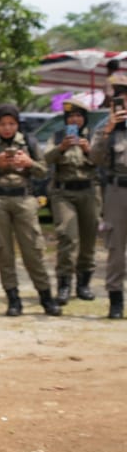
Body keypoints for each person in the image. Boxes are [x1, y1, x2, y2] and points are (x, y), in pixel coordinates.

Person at [0, 103, 61, 316]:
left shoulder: (29, 142)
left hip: (24, 200)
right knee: (4, 252)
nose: (7, 128)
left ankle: (46, 297)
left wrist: (29, 162)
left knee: (33, 250)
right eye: (2, 124)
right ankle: (13, 299)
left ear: (17, 124)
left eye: (11, 123)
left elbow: (44, 171)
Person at [45, 99, 98, 304]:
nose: (75, 120)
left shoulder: (94, 136)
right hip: (64, 193)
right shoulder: (58, 137)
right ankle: (64, 285)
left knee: (88, 239)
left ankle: (84, 284)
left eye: (78, 116)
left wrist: (89, 150)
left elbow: (102, 160)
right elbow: (44, 159)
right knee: (67, 236)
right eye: (71, 116)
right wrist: (61, 148)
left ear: (84, 118)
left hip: (89, 192)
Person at [91, 81, 127, 318]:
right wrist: (108, 130)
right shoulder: (106, 128)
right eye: (121, 100)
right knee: (115, 248)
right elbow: (94, 158)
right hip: (117, 191)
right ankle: (115, 300)